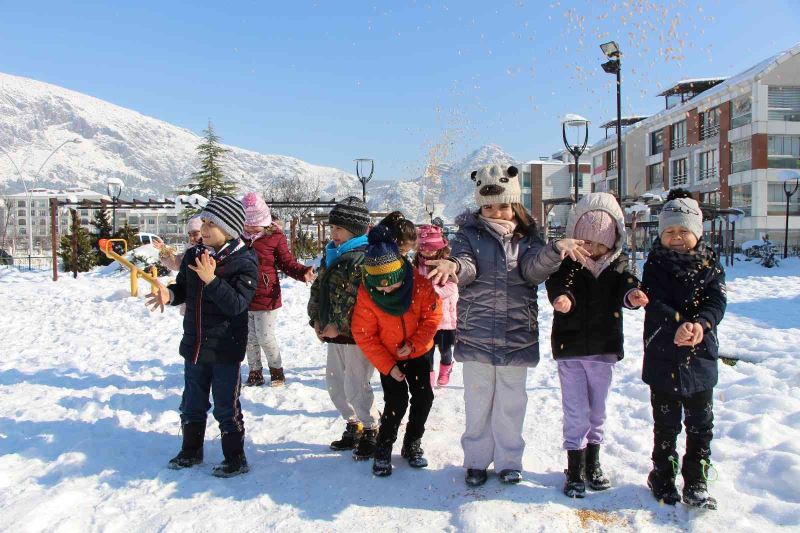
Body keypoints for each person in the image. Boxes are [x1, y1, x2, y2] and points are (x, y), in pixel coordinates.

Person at [426, 164, 589, 486]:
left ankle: (509, 462)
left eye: (503, 205)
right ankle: (476, 461)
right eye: (488, 207)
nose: (496, 212)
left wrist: (554, 250)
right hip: (477, 333)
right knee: (477, 402)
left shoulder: (529, 238)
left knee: (511, 404)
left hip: (516, 334)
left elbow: (532, 272)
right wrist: (453, 265)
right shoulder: (468, 235)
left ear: (515, 204)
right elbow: (468, 267)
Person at [545, 192, 650, 498]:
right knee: (575, 411)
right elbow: (557, 285)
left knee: (597, 411)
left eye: (599, 243)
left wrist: (633, 296)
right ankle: (574, 467)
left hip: (603, 350)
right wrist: (562, 298)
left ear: (612, 242)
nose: (591, 250)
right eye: (585, 242)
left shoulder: (618, 267)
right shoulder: (567, 266)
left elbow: (626, 286)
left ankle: (593, 462)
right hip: (571, 350)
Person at [145, 196, 258, 478]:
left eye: (211, 224)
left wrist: (212, 279)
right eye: (203, 222)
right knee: (192, 403)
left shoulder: (244, 261)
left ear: (229, 229)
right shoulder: (194, 254)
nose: (203, 229)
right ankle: (190, 450)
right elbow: (183, 288)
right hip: (195, 344)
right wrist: (169, 295)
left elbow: (237, 304)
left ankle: (235, 458)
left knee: (226, 406)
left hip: (225, 349)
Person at [641, 188, 726, 510]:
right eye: (669, 231)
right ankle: (662, 475)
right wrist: (677, 324)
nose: (676, 237)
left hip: (700, 357)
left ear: (697, 232)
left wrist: (700, 325)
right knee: (666, 425)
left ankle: (696, 480)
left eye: (683, 231)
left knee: (701, 426)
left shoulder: (710, 264)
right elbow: (653, 301)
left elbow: (716, 301)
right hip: (663, 355)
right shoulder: (655, 264)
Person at [351, 225, 442, 476]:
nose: (386, 292)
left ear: (402, 273)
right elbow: (364, 334)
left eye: (392, 286)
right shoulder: (368, 294)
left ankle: (412, 442)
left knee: (424, 398)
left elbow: (432, 318)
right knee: (396, 403)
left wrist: (414, 344)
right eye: (380, 288)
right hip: (389, 358)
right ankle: (383, 447)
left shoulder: (420, 286)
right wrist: (388, 366)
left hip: (419, 354)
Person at [307, 196, 381, 460]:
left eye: (339, 228)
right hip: (333, 334)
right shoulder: (331, 255)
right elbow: (318, 290)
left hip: (355, 336)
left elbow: (358, 300)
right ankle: (353, 424)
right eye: (332, 228)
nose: (333, 233)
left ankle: (371, 428)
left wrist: (338, 326)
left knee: (356, 385)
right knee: (335, 384)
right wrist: (316, 319)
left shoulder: (363, 259)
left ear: (355, 230)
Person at [241, 192, 316, 387]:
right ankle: (255, 372)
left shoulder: (274, 236)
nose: (249, 228)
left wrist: (303, 272)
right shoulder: (238, 238)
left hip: (267, 295)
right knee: (249, 338)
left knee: (265, 337)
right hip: (243, 295)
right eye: (246, 223)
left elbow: (286, 262)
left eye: (254, 224)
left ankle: (276, 371)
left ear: (264, 221)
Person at [413, 224, 458, 388]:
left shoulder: (446, 263)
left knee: (445, 349)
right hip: (425, 317)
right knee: (427, 350)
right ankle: (429, 373)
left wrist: (431, 292)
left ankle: (446, 368)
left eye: (431, 248)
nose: (427, 251)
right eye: (423, 248)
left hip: (444, 316)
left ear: (439, 248)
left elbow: (452, 287)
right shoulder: (416, 264)